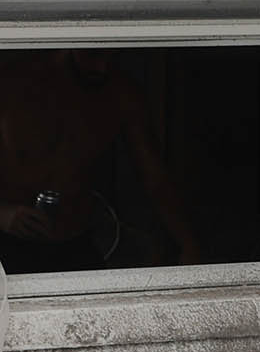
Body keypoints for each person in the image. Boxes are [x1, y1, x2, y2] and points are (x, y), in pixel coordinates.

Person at [0, 48, 203, 272]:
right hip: (10, 237)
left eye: (114, 56)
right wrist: (2, 213)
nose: (103, 67)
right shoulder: (12, 84)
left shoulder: (120, 94)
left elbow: (155, 177)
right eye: (94, 54)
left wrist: (188, 243)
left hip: (73, 239)